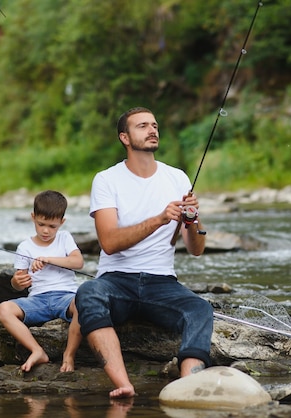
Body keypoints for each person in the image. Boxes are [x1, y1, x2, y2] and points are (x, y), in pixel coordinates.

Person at [75, 106, 214, 398]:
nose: (152, 130)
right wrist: (160, 219)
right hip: (116, 280)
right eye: (142, 126)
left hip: (162, 283)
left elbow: (196, 249)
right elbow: (109, 242)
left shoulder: (177, 177)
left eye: (154, 125)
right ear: (124, 137)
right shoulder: (106, 179)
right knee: (88, 293)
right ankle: (123, 384)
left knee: (200, 309)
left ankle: (189, 384)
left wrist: (193, 220)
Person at [0, 190, 84, 373]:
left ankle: (69, 355)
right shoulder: (25, 247)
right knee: (3, 309)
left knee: (85, 303)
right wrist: (17, 281)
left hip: (66, 297)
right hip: (37, 301)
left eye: (52, 226)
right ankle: (37, 351)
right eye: (41, 224)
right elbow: (18, 283)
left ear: (62, 222)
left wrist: (48, 259)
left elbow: (78, 262)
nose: (45, 230)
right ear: (33, 217)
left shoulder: (64, 238)